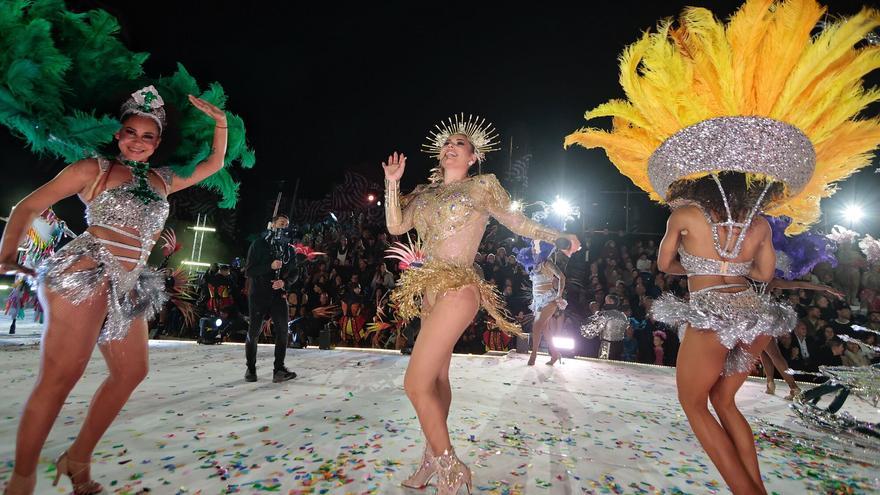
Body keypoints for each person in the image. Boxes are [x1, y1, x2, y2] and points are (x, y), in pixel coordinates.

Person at [564, 2, 880, 492]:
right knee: (725, 402)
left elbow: (665, 264)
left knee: (694, 404)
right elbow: (765, 277)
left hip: (711, 313)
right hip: (755, 316)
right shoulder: (761, 223)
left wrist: (697, 266)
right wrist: (736, 267)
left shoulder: (685, 214)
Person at [0, 86, 229, 495]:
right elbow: (27, 207)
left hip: (129, 283)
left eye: (148, 136)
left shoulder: (163, 179)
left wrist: (221, 122)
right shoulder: (95, 168)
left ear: (158, 142)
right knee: (60, 378)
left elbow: (214, 162)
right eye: (130, 133)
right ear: (117, 133)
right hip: (85, 273)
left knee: (131, 372)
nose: (137, 142)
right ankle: (22, 481)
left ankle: (77, 458)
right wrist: (6, 253)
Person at [383, 113, 579, 493]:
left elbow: (517, 221)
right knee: (436, 379)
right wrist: (392, 184)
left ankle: (451, 467)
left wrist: (556, 235)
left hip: (459, 287)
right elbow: (395, 226)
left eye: (460, 143)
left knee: (415, 383)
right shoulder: (424, 194)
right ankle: (431, 459)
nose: (451, 146)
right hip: (429, 290)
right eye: (447, 143)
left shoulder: (481, 187)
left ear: (473, 157)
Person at [244, 214, 298, 383]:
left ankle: (279, 369)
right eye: (281, 223)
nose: (284, 227)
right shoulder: (258, 244)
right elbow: (249, 270)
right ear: (272, 225)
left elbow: (295, 272)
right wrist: (270, 266)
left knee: (283, 331)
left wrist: (284, 282)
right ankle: (251, 368)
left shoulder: (289, 249)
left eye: (286, 225)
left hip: (278, 295)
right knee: (254, 332)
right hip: (259, 295)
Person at [527, 240, 569, 366]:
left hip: (549, 299)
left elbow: (562, 277)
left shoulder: (547, 263)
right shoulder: (535, 265)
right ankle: (555, 354)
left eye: (535, 248)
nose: (533, 251)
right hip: (538, 301)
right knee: (545, 329)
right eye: (533, 248)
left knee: (537, 325)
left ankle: (533, 355)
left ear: (542, 250)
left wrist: (559, 295)